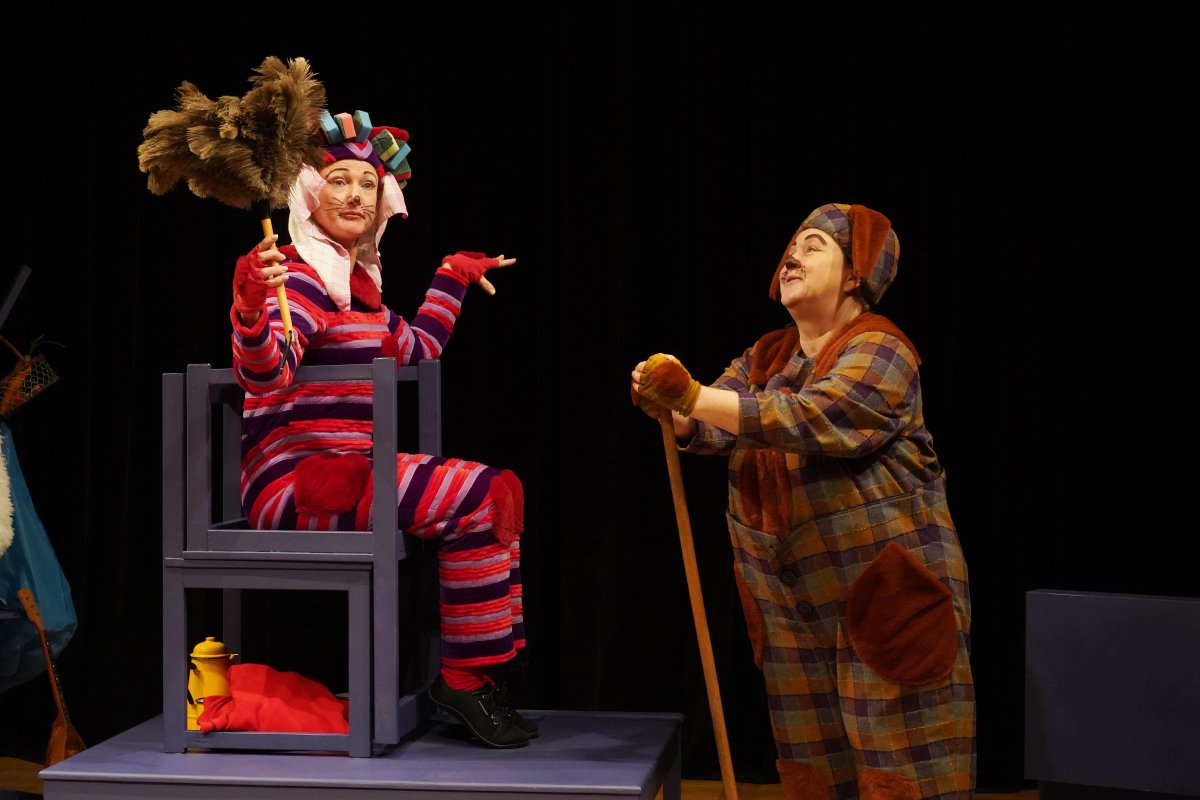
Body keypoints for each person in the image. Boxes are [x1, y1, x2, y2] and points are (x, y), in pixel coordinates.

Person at [631, 203, 974, 799]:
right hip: (791, 605)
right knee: (815, 774)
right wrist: (674, 410)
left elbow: (814, 417)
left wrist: (691, 397)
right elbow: (715, 421)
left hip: (884, 600)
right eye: (792, 246)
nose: (792, 257)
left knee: (902, 771)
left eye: (814, 246)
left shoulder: (882, 347)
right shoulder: (767, 357)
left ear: (855, 274)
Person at [229, 108, 536, 749]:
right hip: (296, 487)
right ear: (309, 194)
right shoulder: (300, 277)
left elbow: (417, 346)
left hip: (349, 474)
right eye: (339, 180)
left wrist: (451, 276)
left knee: (498, 492)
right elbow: (265, 371)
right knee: (482, 496)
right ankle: (464, 678)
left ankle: (482, 672)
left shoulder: (357, 289)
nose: (355, 195)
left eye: (368, 184)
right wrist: (251, 306)